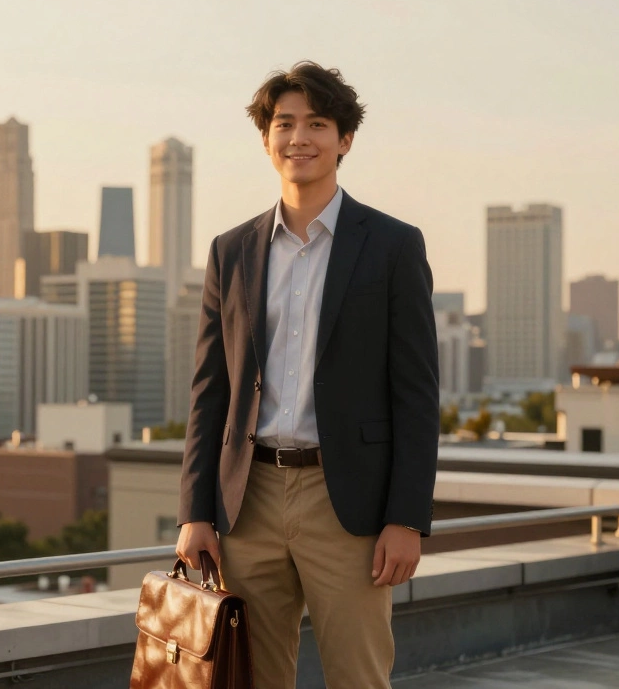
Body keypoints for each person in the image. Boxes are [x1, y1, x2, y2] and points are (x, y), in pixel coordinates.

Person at [175, 61, 439, 688]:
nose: (299, 138)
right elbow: (210, 390)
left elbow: (417, 394)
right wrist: (195, 511)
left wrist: (406, 518)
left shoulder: (393, 246)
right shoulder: (230, 250)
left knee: (358, 675)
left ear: (344, 139)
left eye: (317, 124)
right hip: (249, 500)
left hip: (347, 501)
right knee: (255, 678)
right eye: (284, 123)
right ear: (266, 139)